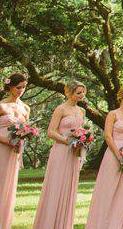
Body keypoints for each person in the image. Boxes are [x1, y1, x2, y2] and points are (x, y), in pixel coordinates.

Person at [33, 80, 87, 229]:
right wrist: (68, 141)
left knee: (70, 186)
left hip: (74, 153)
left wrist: (83, 140)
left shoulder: (82, 111)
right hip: (61, 151)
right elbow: (51, 132)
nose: (82, 95)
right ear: (68, 93)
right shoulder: (61, 109)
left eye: (83, 93)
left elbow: (81, 131)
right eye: (78, 93)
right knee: (57, 184)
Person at [85, 87, 123, 229]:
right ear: (121, 97)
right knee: (109, 187)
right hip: (114, 152)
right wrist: (119, 154)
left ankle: (119, 223)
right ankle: (102, 222)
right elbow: (108, 136)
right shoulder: (113, 114)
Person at [0, 73, 30, 229]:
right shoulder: (1, 106)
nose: (21, 90)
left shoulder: (25, 108)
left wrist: (27, 134)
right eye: (18, 87)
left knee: (9, 187)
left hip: (15, 151)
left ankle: (3, 223)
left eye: (24, 87)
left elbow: (27, 129)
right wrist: (7, 141)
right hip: (0, 148)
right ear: (10, 87)